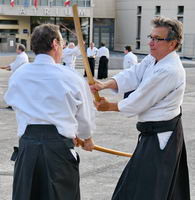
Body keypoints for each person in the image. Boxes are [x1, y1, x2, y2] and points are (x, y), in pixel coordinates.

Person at [90, 16, 190, 200]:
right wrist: (105, 84)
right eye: (150, 37)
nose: (150, 43)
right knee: (140, 187)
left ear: (172, 44)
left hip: (162, 138)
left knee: (149, 190)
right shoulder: (153, 60)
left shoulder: (170, 69)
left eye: (157, 39)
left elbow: (141, 98)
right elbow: (133, 75)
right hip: (150, 134)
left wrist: (109, 106)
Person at [4, 24, 95, 200]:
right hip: (58, 151)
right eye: (61, 43)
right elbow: (85, 117)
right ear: (54, 44)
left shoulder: (19, 75)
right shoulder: (71, 77)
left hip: (28, 148)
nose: (61, 47)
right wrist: (87, 138)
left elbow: (12, 101)